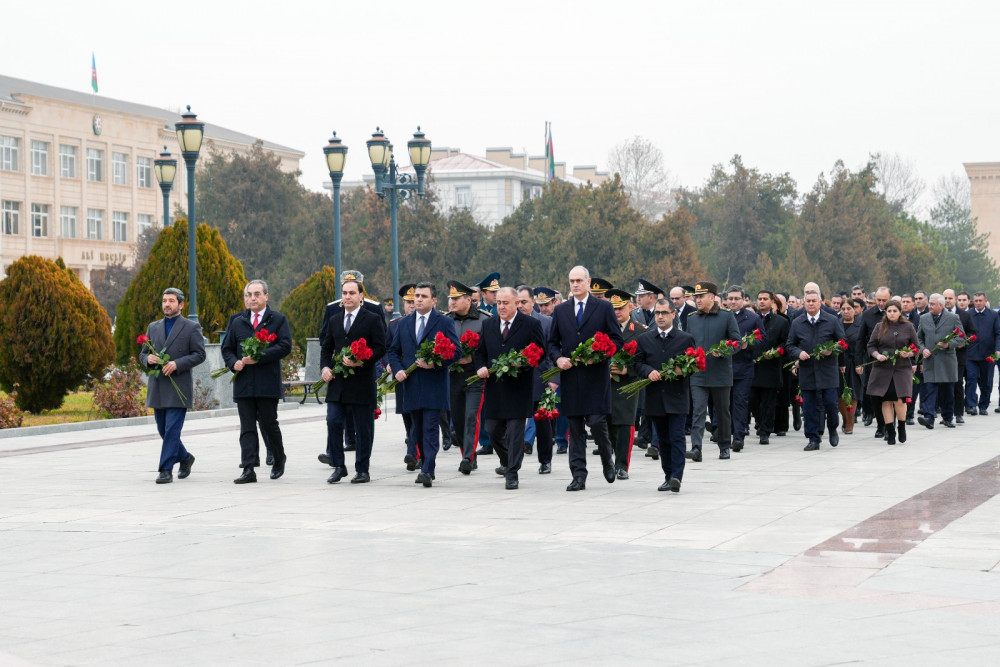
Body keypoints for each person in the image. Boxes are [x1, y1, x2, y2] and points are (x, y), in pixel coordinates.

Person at [547, 265, 624, 491]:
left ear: (588, 282)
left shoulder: (603, 307)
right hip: (571, 378)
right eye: (572, 281)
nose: (575, 284)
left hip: (596, 378)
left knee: (598, 422)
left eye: (579, 280)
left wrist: (600, 355)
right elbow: (552, 343)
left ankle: (607, 458)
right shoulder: (561, 311)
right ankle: (578, 475)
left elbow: (616, 340)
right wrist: (558, 359)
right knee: (575, 428)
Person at [387, 281, 461, 487]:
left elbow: (456, 351)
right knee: (417, 430)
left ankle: (428, 469)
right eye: (416, 296)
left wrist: (435, 363)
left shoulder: (443, 322)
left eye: (423, 296)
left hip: (434, 385)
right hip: (411, 386)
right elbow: (393, 351)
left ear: (434, 300)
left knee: (429, 429)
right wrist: (399, 369)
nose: (418, 300)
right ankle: (425, 463)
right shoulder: (403, 323)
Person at [222, 279, 292, 483]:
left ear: (266, 296)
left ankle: (279, 458)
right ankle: (249, 468)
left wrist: (260, 357)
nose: (252, 298)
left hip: (266, 382)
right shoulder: (237, 321)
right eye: (248, 295)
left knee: (269, 424)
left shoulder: (277, 320)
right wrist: (233, 362)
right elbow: (227, 348)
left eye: (256, 294)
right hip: (243, 383)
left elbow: (285, 346)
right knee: (247, 427)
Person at [474, 287, 546, 489]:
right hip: (495, 388)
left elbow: (541, 352)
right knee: (493, 429)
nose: (501, 307)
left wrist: (524, 362)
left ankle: (512, 472)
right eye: (498, 303)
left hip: (519, 388)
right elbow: (480, 353)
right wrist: (480, 367)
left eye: (506, 303)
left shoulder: (530, 324)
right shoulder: (488, 324)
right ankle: (507, 460)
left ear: (516, 303)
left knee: (515, 432)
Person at [320, 279, 387, 484]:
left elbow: (381, 347)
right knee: (333, 420)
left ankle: (362, 469)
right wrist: (324, 367)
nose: (347, 296)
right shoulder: (334, 320)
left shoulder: (372, 319)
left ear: (360, 296)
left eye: (352, 293)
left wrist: (362, 361)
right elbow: (326, 347)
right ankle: (339, 465)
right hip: (338, 382)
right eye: (344, 293)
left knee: (363, 427)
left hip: (361, 381)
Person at [140, 287, 206, 484]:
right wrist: (148, 359)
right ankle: (185, 457)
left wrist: (177, 364)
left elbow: (199, 354)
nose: (166, 304)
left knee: (172, 430)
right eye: (164, 300)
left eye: (171, 301)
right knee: (163, 429)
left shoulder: (191, 327)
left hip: (179, 385)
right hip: (158, 385)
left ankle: (165, 469)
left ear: (181, 304)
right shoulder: (153, 327)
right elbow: (143, 354)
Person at [634, 298, 696, 492]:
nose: (660, 317)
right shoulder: (645, 339)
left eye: (664, 313)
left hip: (677, 396)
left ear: (673, 314)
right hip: (655, 397)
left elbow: (693, 365)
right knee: (663, 439)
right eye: (657, 313)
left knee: (677, 437)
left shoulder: (685, 339)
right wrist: (647, 371)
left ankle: (677, 476)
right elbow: (637, 363)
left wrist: (683, 371)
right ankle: (668, 475)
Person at [685, 281, 740, 461]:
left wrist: (725, 351)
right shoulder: (692, 318)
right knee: (698, 411)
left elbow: (737, 342)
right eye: (696, 297)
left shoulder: (726, 316)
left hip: (720, 373)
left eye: (701, 296)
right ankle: (696, 448)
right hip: (698, 374)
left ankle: (724, 446)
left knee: (723, 412)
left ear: (712, 297)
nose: (698, 300)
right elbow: (688, 344)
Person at [786, 291, 846, 451]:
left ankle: (833, 429)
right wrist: (798, 353)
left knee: (831, 404)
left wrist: (832, 351)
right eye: (808, 301)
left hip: (827, 371)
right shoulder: (798, 323)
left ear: (820, 303)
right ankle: (813, 438)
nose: (811, 304)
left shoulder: (832, 320)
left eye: (814, 301)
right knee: (809, 407)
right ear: (804, 303)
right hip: (808, 371)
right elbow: (790, 345)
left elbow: (842, 342)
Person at [445, 279, 487, 474]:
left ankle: (467, 458)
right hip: (453, 376)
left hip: (475, 377)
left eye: (456, 298)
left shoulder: (484, 320)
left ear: (468, 300)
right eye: (450, 298)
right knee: (458, 419)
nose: (451, 302)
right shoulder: (446, 320)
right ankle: (468, 453)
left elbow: (488, 349)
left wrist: (474, 359)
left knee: (471, 416)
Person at [864, 299, 918, 445]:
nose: (892, 314)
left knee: (900, 400)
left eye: (895, 311)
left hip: (901, 368)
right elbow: (871, 346)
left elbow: (915, 347)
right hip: (882, 368)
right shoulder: (879, 326)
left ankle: (901, 426)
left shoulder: (908, 327)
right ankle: (890, 431)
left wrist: (909, 354)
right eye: (889, 311)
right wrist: (877, 355)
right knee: (886, 400)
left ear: (900, 312)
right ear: (885, 312)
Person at [517, 286, 557, 473]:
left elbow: (554, 352)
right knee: (513, 423)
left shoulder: (546, 322)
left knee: (542, 421)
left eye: (524, 302)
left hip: (540, 378)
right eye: (517, 303)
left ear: (533, 302)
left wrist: (553, 378)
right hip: (516, 379)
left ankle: (545, 460)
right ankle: (509, 461)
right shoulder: (510, 322)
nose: (520, 306)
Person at [606, 288, 646, 479]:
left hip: (628, 384)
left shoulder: (639, 332)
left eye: (621, 308)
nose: (617, 313)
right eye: (613, 309)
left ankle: (622, 465)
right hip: (606, 384)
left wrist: (627, 370)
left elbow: (645, 360)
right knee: (609, 423)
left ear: (630, 307)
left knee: (625, 424)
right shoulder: (604, 330)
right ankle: (613, 459)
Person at [917, 293, 964, 430]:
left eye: (932, 304)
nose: (929, 306)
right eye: (929, 303)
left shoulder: (953, 318)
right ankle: (928, 418)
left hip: (946, 361)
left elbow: (961, 337)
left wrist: (948, 344)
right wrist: (923, 349)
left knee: (947, 392)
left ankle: (948, 417)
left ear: (941, 305)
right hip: (930, 360)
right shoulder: (924, 318)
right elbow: (918, 338)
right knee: (929, 390)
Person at [726, 285, 764, 452]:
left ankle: (739, 437)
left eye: (736, 299)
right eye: (730, 299)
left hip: (743, 368)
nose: (733, 302)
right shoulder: (722, 316)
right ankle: (726, 433)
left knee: (740, 402)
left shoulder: (752, 318)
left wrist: (749, 344)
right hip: (724, 368)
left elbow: (763, 340)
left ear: (743, 300)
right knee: (725, 404)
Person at [750, 290, 790, 444]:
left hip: (771, 367)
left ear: (772, 302)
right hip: (753, 367)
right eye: (759, 299)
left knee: (768, 401)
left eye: (765, 299)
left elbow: (786, 343)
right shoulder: (752, 319)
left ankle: (765, 430)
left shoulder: (781, 322)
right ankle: (760, 422)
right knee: (752, 399)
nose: (761, 302)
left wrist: (775, 352)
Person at [856, 286, 892, 438]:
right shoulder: (868, 315)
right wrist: (859, 362)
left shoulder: (896, 314)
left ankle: (891, 425)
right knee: (875, 395)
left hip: (893, 361)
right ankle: (880, 424)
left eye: (885, 300)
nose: (882, 303)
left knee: (891, 395)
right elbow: (861, 339)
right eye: (879, 300)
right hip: (873, 361)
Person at [965, 291, 1000, 416]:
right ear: (973, 302)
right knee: (971, 379)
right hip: (971, 354)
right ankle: (971, 405)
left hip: (988, 354)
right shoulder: (968, 314)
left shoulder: (993, 315)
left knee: (987, 382)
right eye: (976, 301)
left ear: (985, 301)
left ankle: (983, 405)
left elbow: (998, 333)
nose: (978, 303)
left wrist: (998, 349)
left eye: (980, 300)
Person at [838, 298, 864, 434]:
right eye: (843, 309)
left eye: (849, 309)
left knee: (852, 394)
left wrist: (861, 364)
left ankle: (850, 422)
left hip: (854, 364)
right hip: (839, 364)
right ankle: (845, 418)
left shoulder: (860, 326)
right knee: (840, 395)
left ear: (855, 310)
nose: (846, 312)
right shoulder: (836, 324)